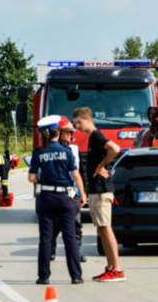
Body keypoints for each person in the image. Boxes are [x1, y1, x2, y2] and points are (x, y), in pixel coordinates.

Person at [29, 115, 87, 285]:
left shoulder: (39, 153)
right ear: (58, 133)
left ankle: (43, 276)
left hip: (46, 198)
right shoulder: (67, 152)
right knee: (70, 238)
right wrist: (82, 195)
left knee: (46, 238)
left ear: (45, 134)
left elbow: (32, 177)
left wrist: (43, 176)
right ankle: (76, 276)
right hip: (65, 198)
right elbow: (76, 176)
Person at [72, 106, 125, 283]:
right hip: (96, 190)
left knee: (105, 228)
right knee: (101, 229)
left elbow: (115, 148)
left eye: (78, 123)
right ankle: (110, 267)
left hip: (102, 190)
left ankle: (116, 268)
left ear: (86, 119)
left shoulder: (96, 135)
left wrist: (102, 165)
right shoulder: (92, 138)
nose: (77, 127)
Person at [50, 117, 86, 263]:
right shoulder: (51, 149)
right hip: (54, 190)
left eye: (72, 133)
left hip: (70, 189)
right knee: (54, 223)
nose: (72, 136)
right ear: (59, 133)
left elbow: (78, 172)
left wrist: (81, 193)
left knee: (76, 221)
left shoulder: (74, 149)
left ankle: (77, 251)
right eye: (68, 132)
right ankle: (51, 249)